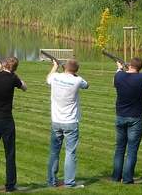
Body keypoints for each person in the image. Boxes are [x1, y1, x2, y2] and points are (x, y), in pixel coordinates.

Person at [0, 57, 27, 192]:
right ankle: (10, 185)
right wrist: (13, 72)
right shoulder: (13, 79)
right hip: (6, 120)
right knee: (9, 153)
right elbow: (24, 87)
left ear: (5, 65)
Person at [46, 58, 89, 188]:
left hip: (56, 121)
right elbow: (86, 85)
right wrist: (74, 73)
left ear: (64, 68)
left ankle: (51, 181)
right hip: (71, 122)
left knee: (54, 152)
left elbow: (48, 78)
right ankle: (69, 182)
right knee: (70, 153)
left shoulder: (55, 77)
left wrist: (55, 66)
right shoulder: (77, 80)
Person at [112, 56, 142, 184]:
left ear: (129, 65)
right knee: (132, 150)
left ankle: (116, 176)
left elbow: (114, 82)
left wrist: (119, 69)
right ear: (140, 67)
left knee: (119, 148)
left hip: (120, 116)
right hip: (136, 117)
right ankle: (127, 178)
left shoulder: (119, 76)